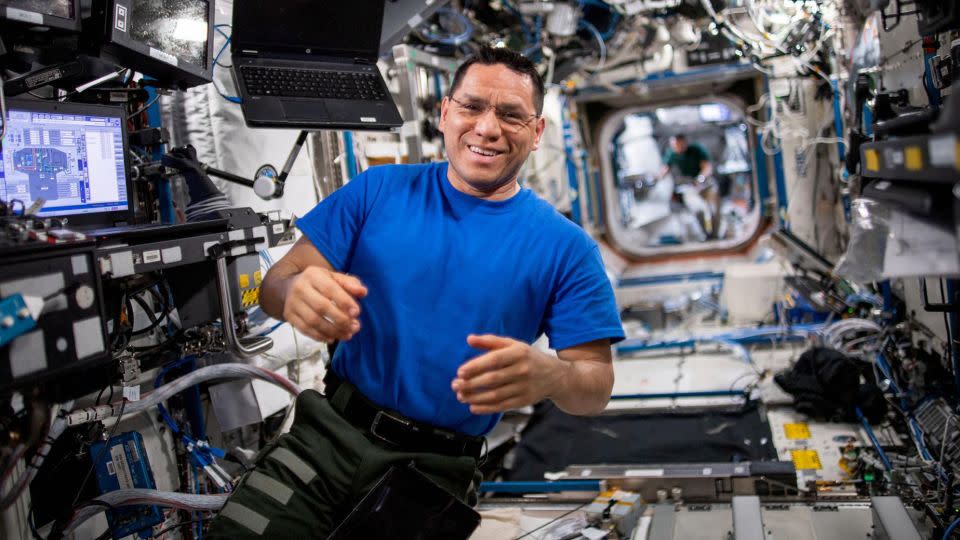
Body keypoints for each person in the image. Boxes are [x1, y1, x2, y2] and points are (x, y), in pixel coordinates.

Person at [207, 46, 624, 538]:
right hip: (326, 440)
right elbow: (275, 285)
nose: (487, 128)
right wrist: (292, 291)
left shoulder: (567, 249)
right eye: (471, 107)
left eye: (511, 115)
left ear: (536, 134)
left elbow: (594, 385)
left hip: (433, 475)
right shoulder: (375, 191)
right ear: (445, 113)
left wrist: (553, 376)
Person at [660, 134, 719, 239]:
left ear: (684, 143)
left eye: (679, 145)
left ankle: (715, 235)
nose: (677, 148)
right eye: (674, 146)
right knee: (698, 210)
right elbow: (665, 169)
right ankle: (707, 236)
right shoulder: (671, 154)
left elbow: (707, 167)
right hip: (690, 187)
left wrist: (701, 178)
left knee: (713, 210)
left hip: (707, 184)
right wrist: (657, 178)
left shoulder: (696, 149)